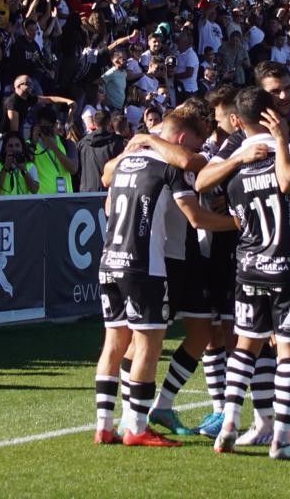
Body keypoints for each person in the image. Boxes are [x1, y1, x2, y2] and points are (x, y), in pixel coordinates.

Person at [93, 104, 234, 447]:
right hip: (148, 264)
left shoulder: (128, 161)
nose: (198, 151)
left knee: (114, 343)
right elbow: (196, 208)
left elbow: (108, 192)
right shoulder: (170, 166)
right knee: (148, 345)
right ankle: (137, 426)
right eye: (196, 143)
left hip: (110, 258)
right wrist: (240, 223)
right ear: (183, 138)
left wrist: (144, 140)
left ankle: (105, 424)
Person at [210, 87, 290, 460]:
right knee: (289, 352)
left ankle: (228, 424)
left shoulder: (236, 163)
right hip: (288, 266)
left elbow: (206, 186)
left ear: (238, 121)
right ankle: (282, 440)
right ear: (273, 112)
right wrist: (284, 142)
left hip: (248, 266)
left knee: (245, 348)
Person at [29, 106, 79, 194]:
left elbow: (73, 169)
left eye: (49, 127)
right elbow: (26, 165)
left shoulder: (67, 144)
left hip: (65, 198)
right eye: (43, 127)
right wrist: (33, 143)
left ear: (56, 125)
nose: (46, 131)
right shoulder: (29, 144)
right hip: (42, 200)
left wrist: (55, 148)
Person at [77, 110, 125, 193]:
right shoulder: (117, 142)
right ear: (110, 122)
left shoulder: (82, 143)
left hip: (86, 192)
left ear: (95, 122)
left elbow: (78, 169)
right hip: (108, 192)